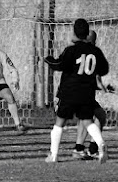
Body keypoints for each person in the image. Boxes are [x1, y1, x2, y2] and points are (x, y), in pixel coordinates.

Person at [44, 19, 109, 163]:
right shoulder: (95, 52)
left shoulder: (71, 50)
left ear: (74, 32)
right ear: (87, 34)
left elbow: (59, 64)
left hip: (69, 92)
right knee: (88, 121)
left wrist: (48, 60)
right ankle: (100, 144)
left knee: (59, 122)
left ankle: (53, 155)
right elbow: (105, 69)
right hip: (86, 93)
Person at [71, 30, 114, 159]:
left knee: (94, 116)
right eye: (93, 41)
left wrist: (104, 88)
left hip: (79, 93)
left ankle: (85, 149)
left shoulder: (80, 53)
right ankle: (86, 149)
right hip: (79, 93)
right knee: (90, 117)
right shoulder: (92, 55)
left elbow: (96, 81)